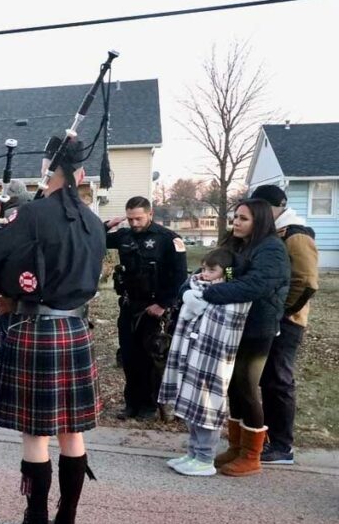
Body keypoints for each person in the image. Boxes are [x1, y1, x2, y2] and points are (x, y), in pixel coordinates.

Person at [0, 137, 104, 524]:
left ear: (48, 170)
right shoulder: (94, 222)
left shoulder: (31, 214)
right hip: (75, 328)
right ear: (81, 175)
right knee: (72, 433)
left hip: (37, 330)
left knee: (36, 435)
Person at [202, 198, 290, 477]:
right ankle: (237, 446)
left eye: (243, 219)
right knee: (233, 387)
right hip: (236, 325)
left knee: (247, 387)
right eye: (235, 217)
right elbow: (229, 273)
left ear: (259, 221)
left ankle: (252, 454)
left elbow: (255, 285)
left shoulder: (271, 250)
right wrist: (209, 277)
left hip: (258, 328)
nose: (236, 223)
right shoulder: (239, 245)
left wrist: (210, 292)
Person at [159, 249, 249, 477]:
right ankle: (193, 452)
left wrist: (195, 301)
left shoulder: (233, 296)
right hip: (193, 354)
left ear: (226, 273)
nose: (205, 274)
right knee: (191, 403)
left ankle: (205, 456)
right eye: (204, 269)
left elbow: (223, 319)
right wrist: (191, 296)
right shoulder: (197, 288)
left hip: (213, 358)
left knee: (207, 404)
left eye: (212, 270)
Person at [250, 185, 319, 465]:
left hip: (286, 321)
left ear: (275, 207)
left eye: (259, 207)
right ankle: (264, 436)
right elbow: (232, 263)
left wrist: (282, 312)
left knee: (279, 379)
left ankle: (282, 446)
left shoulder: (296, 235)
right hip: (262, 318)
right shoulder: (265, 234)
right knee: (264, 379)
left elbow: (307, 282)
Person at [105, 197, 188, 420]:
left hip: (154, 308)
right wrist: (106, 225)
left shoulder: (168, 239)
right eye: (130, 219)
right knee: (129, 357)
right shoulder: (124, 236)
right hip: (130, 305)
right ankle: (131, 404)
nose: (134, 223)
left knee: (150, 359)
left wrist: (164, 304)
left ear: (150, 214)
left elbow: (180, 276)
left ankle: (149, 406)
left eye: (138, 218)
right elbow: (97, 239)